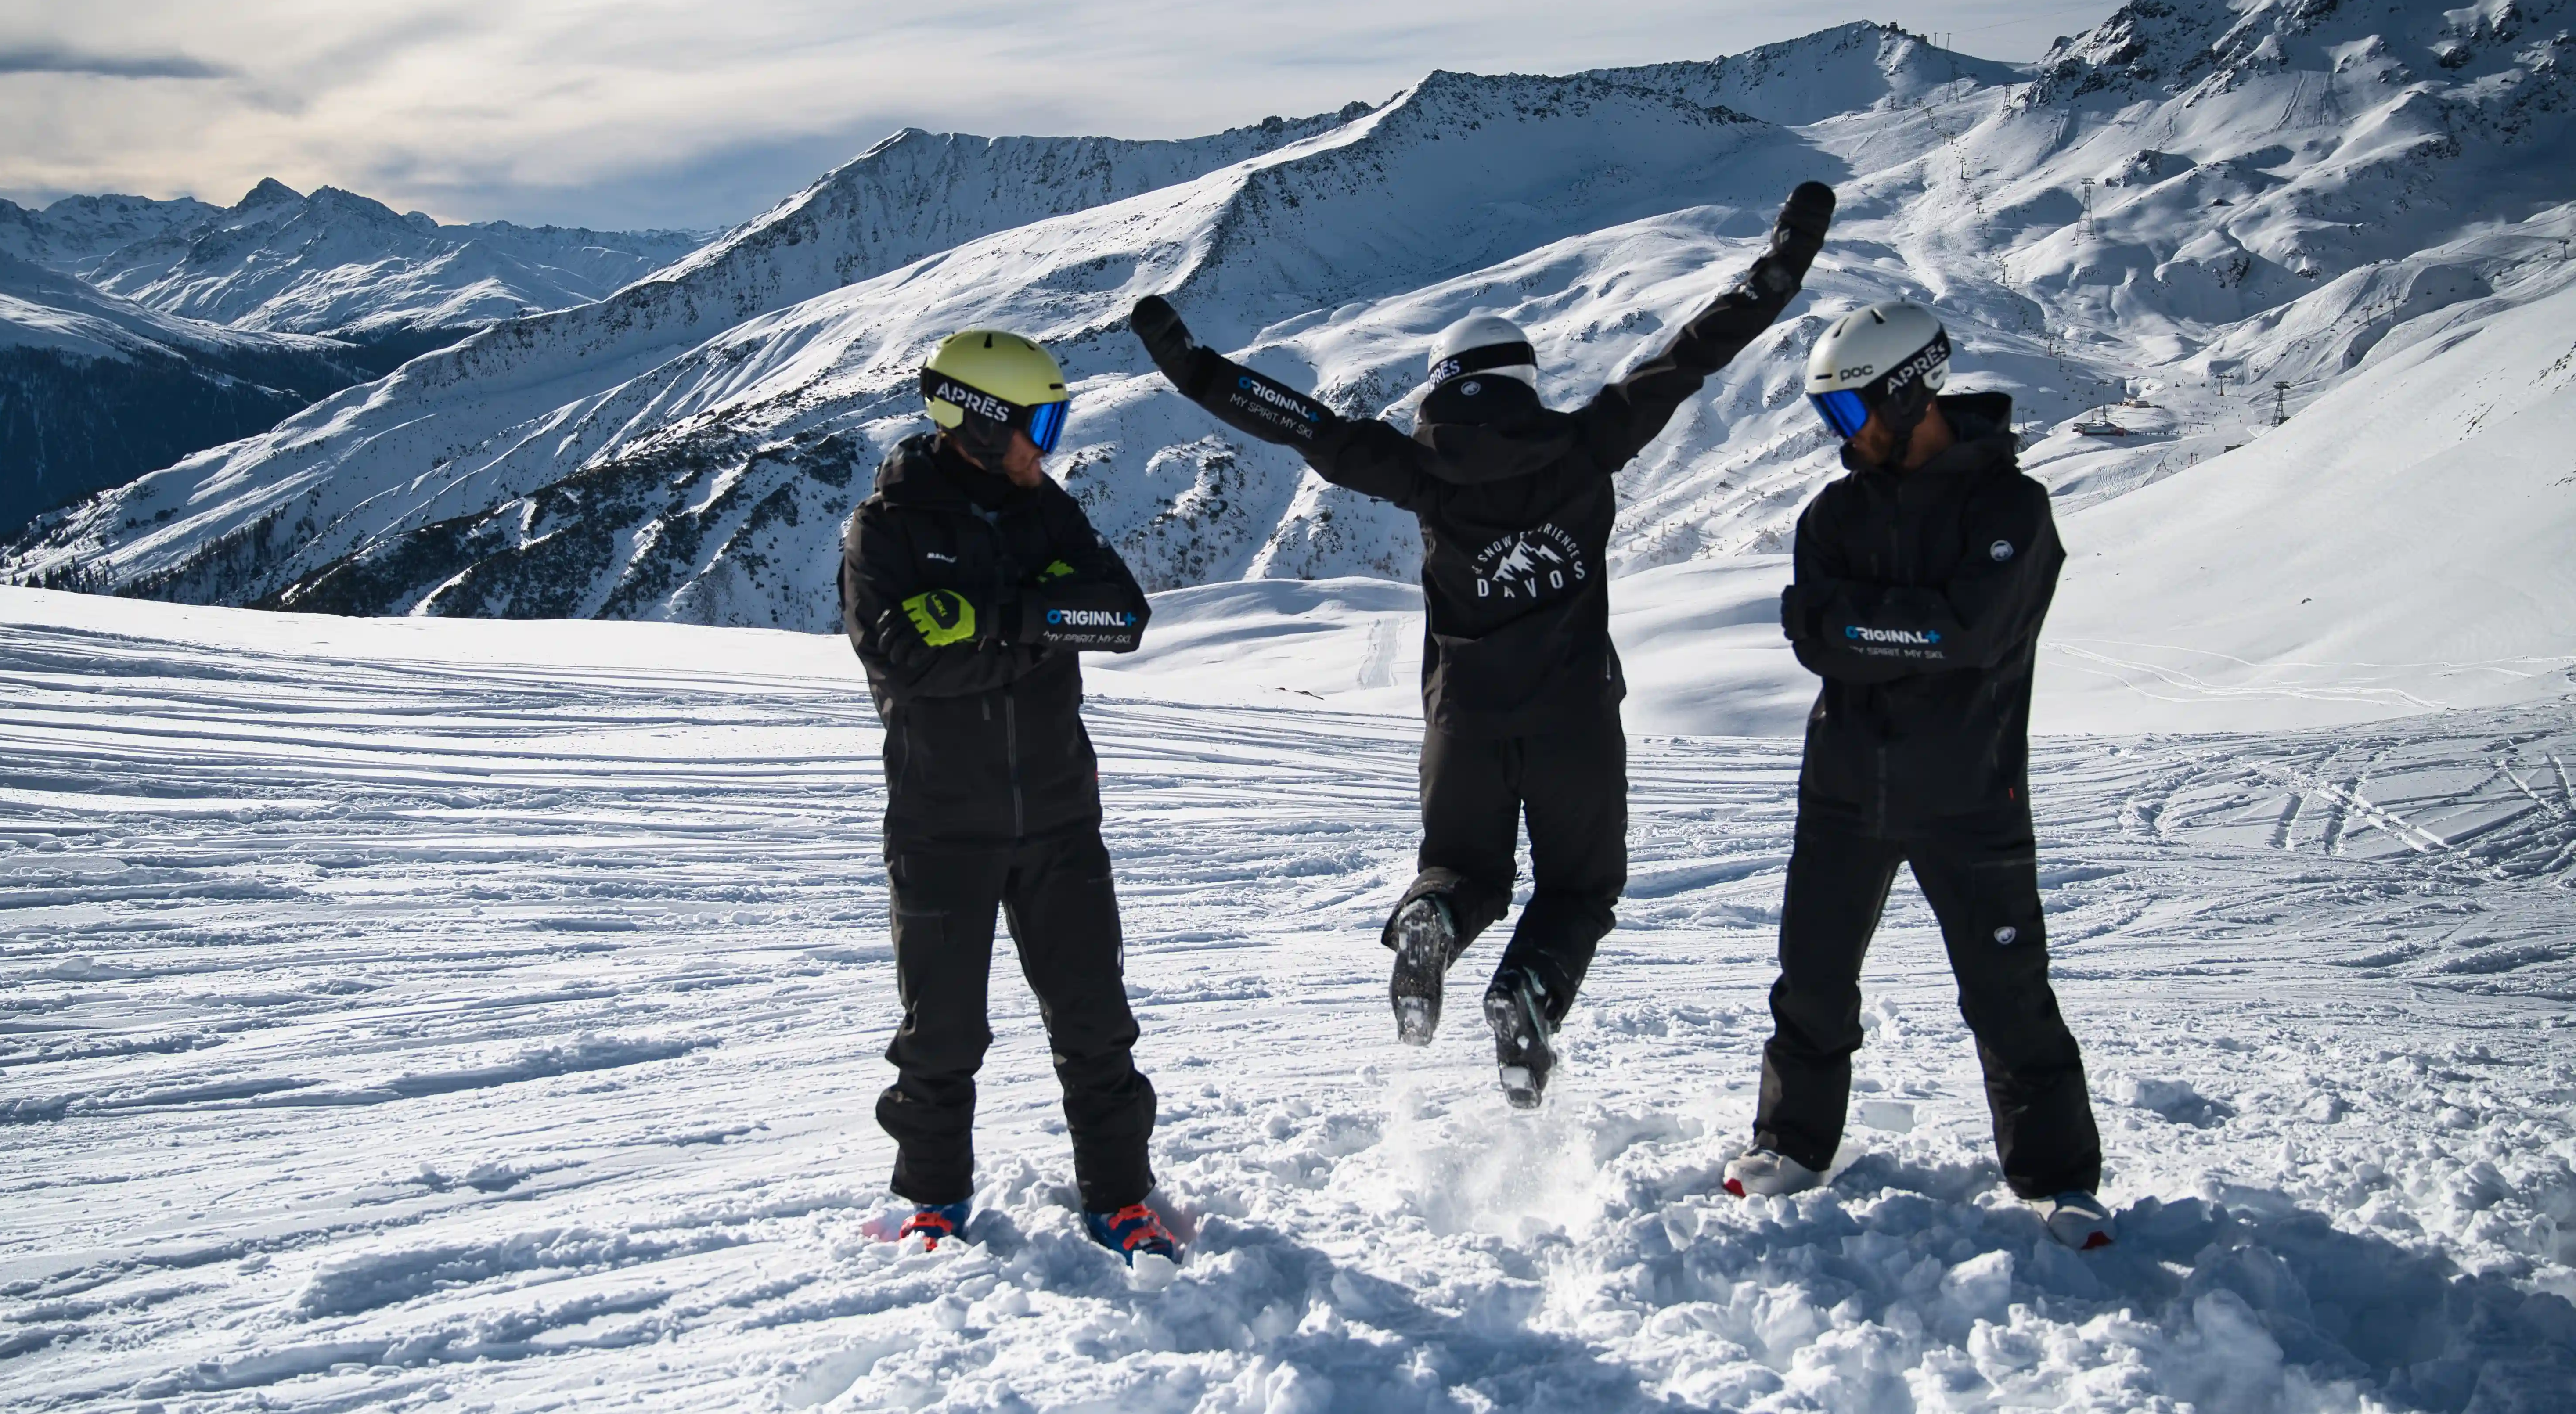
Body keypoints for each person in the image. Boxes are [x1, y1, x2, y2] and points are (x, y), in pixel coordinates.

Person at [1133, 183, 1833, 1108]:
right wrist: (1780, 266)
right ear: (1524, 382)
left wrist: (1194, 370)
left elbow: (1304, 425)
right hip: (1575, 720)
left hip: (1463, 723)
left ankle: (1433, 921)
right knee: (1579, 890)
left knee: (1466, 875)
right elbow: (1694, 353)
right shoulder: (1591, 443)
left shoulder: (1421, 473)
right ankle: (1527, 995)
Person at [1724, 301, 2112, 1250]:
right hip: (1845, 791)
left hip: (1972, 793)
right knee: (1812, 979)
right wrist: (1905, 627)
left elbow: (1974, 632)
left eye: (1852, 415)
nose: (1842, 439)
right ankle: (1794, 1141)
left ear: (1906, 394)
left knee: (2008, 991)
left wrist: (1866, 625)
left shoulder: (2013, 509)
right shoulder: (1834, 512)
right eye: (1832, 421)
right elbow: (1819, 635)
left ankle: (2057, 1178)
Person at [838, 328, 1178, 1263]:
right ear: (980, 424)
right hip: (941, 825)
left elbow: (1125, 615)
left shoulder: (1045, 511)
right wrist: (1047, 620)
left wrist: (994, 619)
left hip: (1062, 817)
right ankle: (932, 1197)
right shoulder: (888, 530)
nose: (1050, 445)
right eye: (1040, 424)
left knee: (1096, 1023)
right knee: (942, 1033)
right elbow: (908, 665)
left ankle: (1122, 1196)